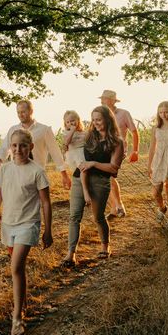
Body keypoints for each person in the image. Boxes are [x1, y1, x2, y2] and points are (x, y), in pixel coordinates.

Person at [0, 129, 53, 335]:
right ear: (10, 147)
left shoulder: (37, 171)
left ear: (31, 147)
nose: (18, 149)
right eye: (14, 145)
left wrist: (48, 230)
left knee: (15, 267)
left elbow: (46, 202)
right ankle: (22, 306)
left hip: (28, 224)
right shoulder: (5, 169)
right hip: (8, 224)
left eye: (23, 145)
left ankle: (17, 320)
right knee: (19, 269)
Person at [62, 105, 123, 267]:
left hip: (100, 181)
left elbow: (113, 168)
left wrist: (93, 163)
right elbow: (68, 145)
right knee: (74, 216)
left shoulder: (117, 142)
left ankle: (105, 246)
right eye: (93, 120)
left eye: (99, 120)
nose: (95, 123)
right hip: (79, 178)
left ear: (108, 120)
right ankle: (71, 254)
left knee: (98, 217)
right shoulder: (89, 136)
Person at [0, 99, 71, 189]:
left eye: (23, 112)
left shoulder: (44, 130)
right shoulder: (13, 130)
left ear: (31, 111)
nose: (20, 115)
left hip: (36, 176)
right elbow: (4, 148)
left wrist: (64, 175)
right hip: (16, 175)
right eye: (18, 112)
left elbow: (55, 152)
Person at [99, 90, 139, 218]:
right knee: (106, 179)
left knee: (109, 176)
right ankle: (113, 209)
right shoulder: (100, 115)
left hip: (119, 150)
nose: (102, 101)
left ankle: (119, 206)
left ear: (112, 100)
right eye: (101, 99)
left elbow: (134, 132)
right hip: (103, 150)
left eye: (104, 98)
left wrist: (135, 151)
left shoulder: (124, 113)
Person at [62, 110, 91, 205]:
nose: (70, 123)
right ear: (65, 124)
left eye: (72, 120)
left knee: (84, 173)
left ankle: (85, 194)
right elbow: (66, 142)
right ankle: (85, 193)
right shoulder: (66, 133)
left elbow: (88, 142)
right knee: (82, 172)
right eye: (68, 122)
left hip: (84, 153)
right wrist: (72, 131)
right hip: (74, 154)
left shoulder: (83, 132)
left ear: (78, 120)